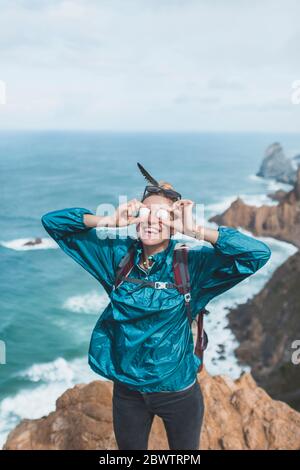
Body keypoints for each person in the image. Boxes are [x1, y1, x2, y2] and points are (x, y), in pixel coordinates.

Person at [41, 164, 271, 450]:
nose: (152, 221)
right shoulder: (116, 257)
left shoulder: (192, 266)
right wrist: (107, 221)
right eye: (146, 213)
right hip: (127, 391)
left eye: (163, 217)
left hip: (177, 391)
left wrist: (194, 230)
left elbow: (257, 254)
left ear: (174, 223)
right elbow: (53, 223)